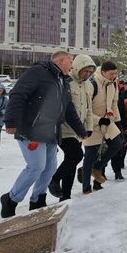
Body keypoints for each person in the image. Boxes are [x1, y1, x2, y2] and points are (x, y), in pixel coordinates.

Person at [0, 51, 88, 218]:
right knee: (36, 167)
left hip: (51, 132)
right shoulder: (38, 72)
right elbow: (18, 95)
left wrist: (80, 130)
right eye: (71, 62)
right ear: (61, 61)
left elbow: (68, 109)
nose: (72, 66)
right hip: (32, 130)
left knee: (49, 169)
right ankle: (11, 199)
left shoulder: (63, 81)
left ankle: (38, 200)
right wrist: (11, 121)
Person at [48, 54, 96, 201]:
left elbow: (88, 109)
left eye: (90, 72)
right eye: (84, 71)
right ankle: (54, 180)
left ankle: (65, 195)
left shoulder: (89, 85)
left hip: (78, 131)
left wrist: (88, 128)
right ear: (77, 68)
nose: (87, 74)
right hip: (65, 129)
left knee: (72, 162)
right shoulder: (66, 81)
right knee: (76, 156)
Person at [81, 61, 124, 194]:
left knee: (117, 144)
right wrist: (98, 120)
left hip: (107, 121)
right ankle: (87, 187)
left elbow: (114, 103)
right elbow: (84, 109)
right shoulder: (92, 84)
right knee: (91, 155)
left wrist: (117, 121)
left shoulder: (113, 84)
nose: (114, 76)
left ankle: (97, 168)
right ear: (103, 72)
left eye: (116, 73)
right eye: (111, 74)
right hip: (91, 123)